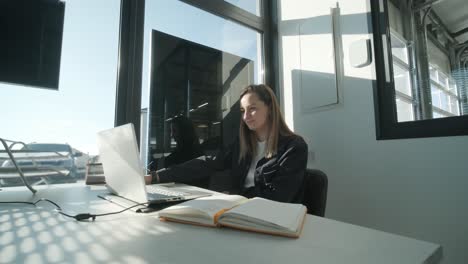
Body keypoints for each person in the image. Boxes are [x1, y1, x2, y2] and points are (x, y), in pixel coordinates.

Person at [146, 84, 308, 203]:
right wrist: (156, 176)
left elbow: (279, 197)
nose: (246, 117)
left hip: (271, 219)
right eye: (243, 111)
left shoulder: (294, 146)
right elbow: (207, 163)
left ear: (270, 109)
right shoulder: (243, 145)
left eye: (252, 109)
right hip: (241, 211)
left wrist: (233, 198)